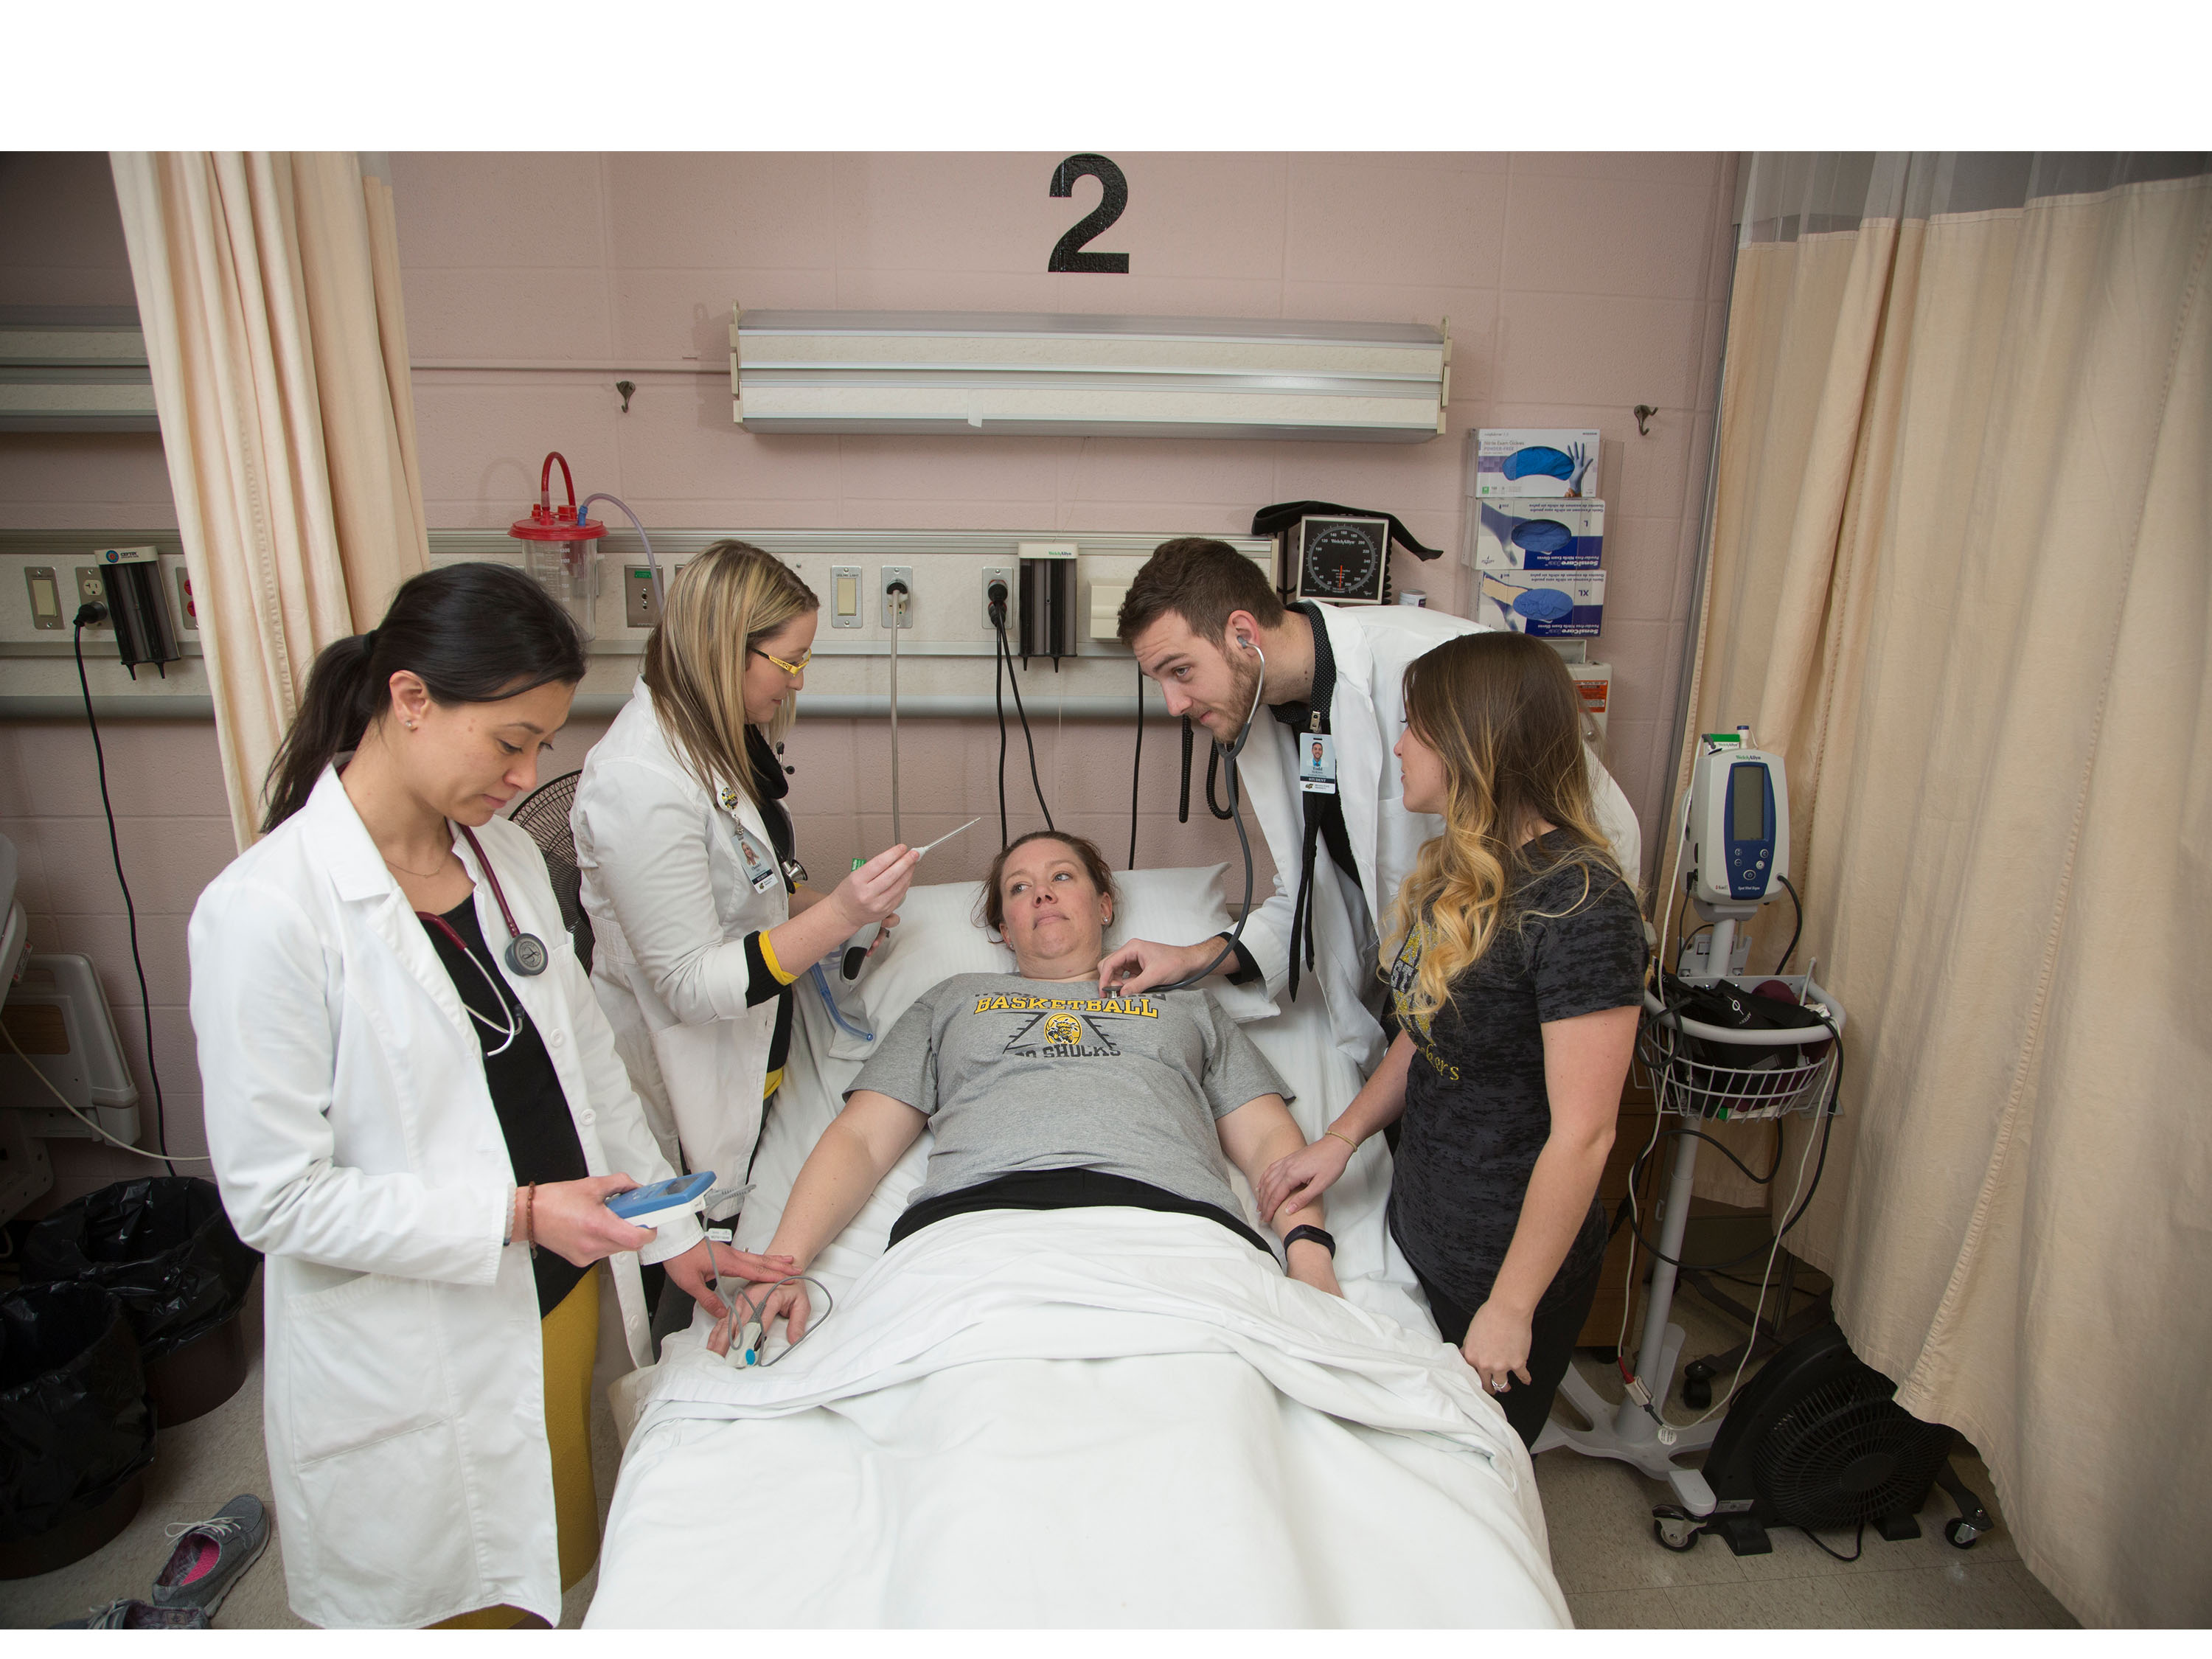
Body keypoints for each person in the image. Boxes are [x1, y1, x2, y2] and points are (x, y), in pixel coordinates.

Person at [188, 564, 792, 1628]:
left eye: (541, 746)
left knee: (560, 1571)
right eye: (509, 740)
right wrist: (515, 1214)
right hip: (421, 1343)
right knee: (459, 1598)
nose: (524, 773)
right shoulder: (266, 912)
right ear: (410, 698)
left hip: (559, 1297)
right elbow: (275, 1198)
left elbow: (588, 1070)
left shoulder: (504, 857)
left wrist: (669, 1229)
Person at [1254, 632, 1645, 1446]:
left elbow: (1586, 1134)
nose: (1398, 747)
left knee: (1479, 1475)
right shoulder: (1463, 879)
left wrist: (1510, 1308)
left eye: (1416, 728)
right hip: (1423, 1232)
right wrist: (1343, 1137)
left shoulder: (1581, 905)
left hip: (1506, 1271)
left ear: (1478, 740)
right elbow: (1423, 1037)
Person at [732, 830, 1343, 1348]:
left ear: (1106, 906)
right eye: (1019, 888)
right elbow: (862, 1139)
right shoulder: (951, 1000)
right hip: (975, 1236)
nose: (1042, 893)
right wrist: (780, 1269)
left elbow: (1268, 1139)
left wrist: (1309, 1255)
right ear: (1002, 928)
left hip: (1174, 1231)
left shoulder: (1187, 1006)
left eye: (1062, 878)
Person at [1107, 538, 1641, 1075]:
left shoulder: (1441, 667)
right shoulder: (1268, 710)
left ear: (1243, 634)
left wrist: (1575, 986)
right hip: (1420, 1012)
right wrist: (1198, 957)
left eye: (1180, 671)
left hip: (1516, 1017)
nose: (1174, 704)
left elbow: (1601, 837)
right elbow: (1322, 897)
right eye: (1160, 682)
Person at [571, 540, 920, 1243]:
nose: (796, 683)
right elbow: (692, 986)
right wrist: (839, 915)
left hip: (751, 1049)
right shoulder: (641, 781)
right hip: (684, 1067)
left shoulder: (708, 743)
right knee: (687, 1250)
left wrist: (834, 913)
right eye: (788, 662)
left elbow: (752, 877)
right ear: (724, 649)